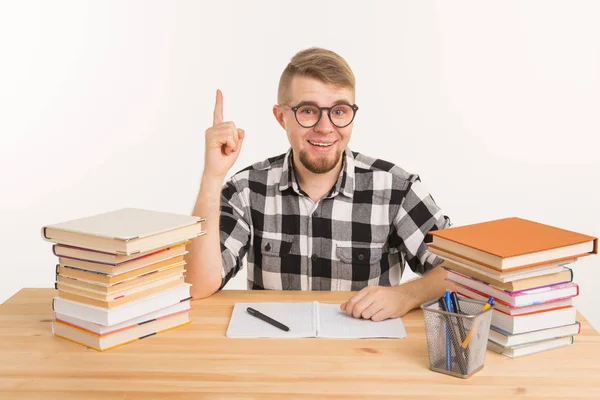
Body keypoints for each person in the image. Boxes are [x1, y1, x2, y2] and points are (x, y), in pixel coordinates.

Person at [185, 47, 451, 321]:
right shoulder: (245, 190)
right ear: (281, 117)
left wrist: (405, 296)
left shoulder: (397, 189)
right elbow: (196, 285)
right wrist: (212, 177)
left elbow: (464, 270)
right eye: (309, 111)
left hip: (365, 355)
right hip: (274, 353)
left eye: (339, 111)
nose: (325, 127)